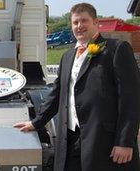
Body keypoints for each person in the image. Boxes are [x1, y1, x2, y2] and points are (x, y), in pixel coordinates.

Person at [14, 3, 140, 171]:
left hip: (104, 141)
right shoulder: (67, 56)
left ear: (96, 23)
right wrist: (36, 123)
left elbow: (130, 98)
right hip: (70, 139)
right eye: (75, 22)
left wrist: (125, 142)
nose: (79, 26)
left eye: (84, 21)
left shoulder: (116, 50)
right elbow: (57, 94)